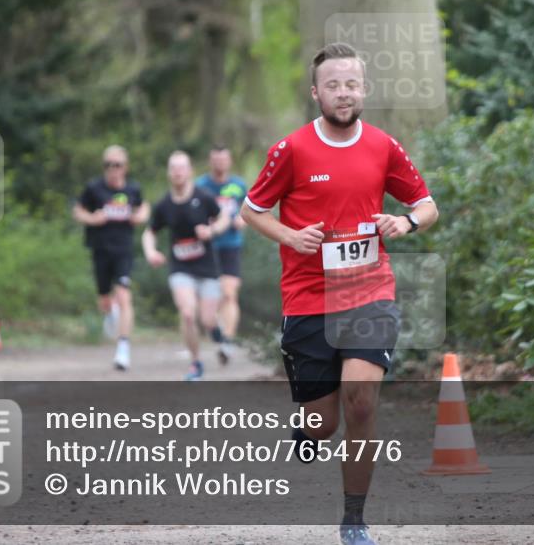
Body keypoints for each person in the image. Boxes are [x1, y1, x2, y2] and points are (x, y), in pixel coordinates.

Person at [240, 43, 438, 545]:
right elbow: (251, 210)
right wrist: (290, 237)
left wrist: (406, 222)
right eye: (333, 85)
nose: (343, 93)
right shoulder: (291, 150)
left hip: (371, 292)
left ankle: (354, 520)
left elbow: (427, 204)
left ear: (364, 89)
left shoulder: (383, 146)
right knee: (323, 425)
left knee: (361, 400)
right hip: (308, 299)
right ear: (316, 92)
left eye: (351, 84)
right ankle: (308, 430)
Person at [143, 151, 229, 380]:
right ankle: (196, 363)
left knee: (208, 319)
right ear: (169, 173)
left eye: (182, 167)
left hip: (207, 267)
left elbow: (224, 218)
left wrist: (211, 230)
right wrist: (151, 252)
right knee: (188, 313)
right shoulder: (164, 204)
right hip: (180, 267)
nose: (178, 172)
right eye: (174, 168)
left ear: (190, 171)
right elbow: (149, 232)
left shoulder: (204, 197)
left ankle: (219, 337)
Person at [72, 145, 149, 371]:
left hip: (124, 250)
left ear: (125, 167)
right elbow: (78, 211)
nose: (113, 169)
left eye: (117, 165)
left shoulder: (133, 189)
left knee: (124, 295)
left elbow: (144, 207)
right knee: (105, 300)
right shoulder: (94, 188)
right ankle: (110, 311)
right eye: (108, 165)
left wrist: (140, 216)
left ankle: (123, 347)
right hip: (100, 250)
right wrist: (92, 218)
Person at [196, 145, 248, 365]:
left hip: (230, 246)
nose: (220, 164)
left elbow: (250, 211)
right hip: (206, 247)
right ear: (210, 161)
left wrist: (242, 221)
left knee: (229, 293)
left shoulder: (238, 185)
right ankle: (215, 328)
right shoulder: (201, 186)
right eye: (216, 160)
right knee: (209, 299)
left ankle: (227, 340)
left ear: (229, 161)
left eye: (223, 159)